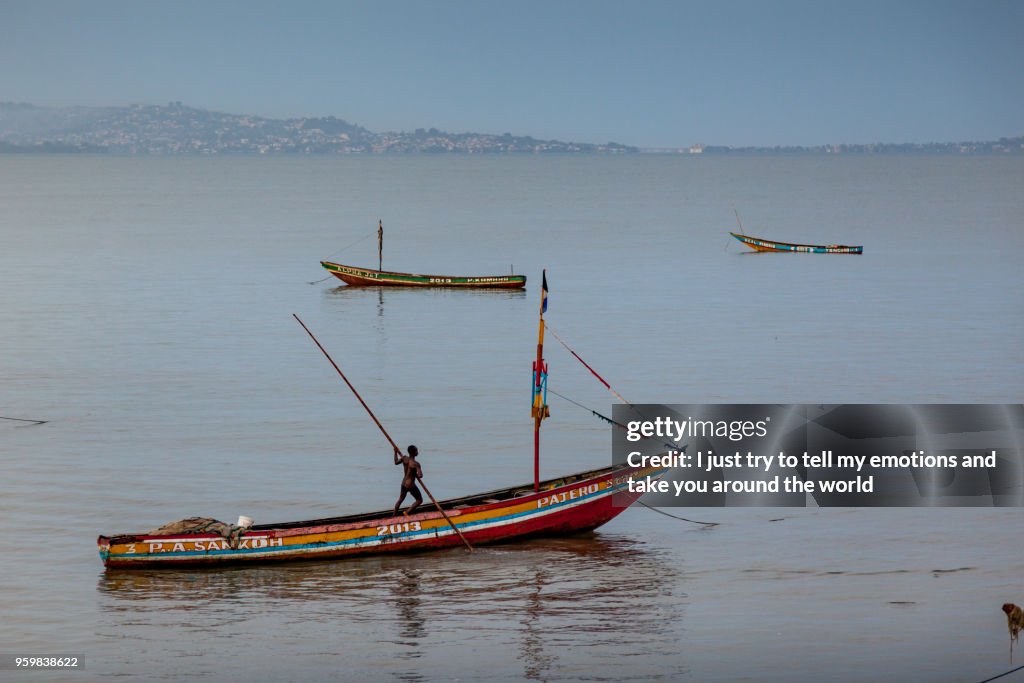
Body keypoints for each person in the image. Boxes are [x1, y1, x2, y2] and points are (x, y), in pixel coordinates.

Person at [393, 444, 423, 516]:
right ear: (413, 452)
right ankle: (407, 512)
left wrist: (395, 452)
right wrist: (417, 473)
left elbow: (396, 462)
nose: (417, 452)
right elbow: (420, 475)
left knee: (400, 499)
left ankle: (394, 515)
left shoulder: (404, 458)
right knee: (419, 500)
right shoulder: (416, 464)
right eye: (416, 450)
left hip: (404, 483)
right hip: (410, 485)